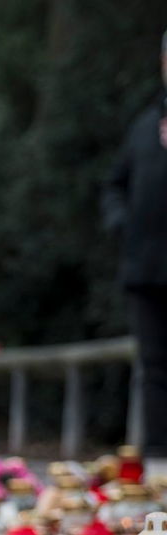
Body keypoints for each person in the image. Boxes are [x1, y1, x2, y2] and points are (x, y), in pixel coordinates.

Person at [104, 30, 167, 477]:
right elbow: (113, 185)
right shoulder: (144, 127)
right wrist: (121, 222)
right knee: (154, 369)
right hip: (146, 271)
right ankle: (160, 465)